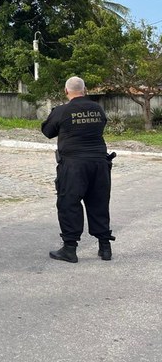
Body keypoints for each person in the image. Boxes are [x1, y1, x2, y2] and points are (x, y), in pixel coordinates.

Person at [41, 76, 114, 263]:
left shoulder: (62, 110)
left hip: (74, 165)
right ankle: (105, 247)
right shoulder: (97, 109)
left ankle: (70, 249)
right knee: (99, 202)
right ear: (85, 89)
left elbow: (47, 131)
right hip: (99, 163)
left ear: (66, 91)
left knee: (69, 203)